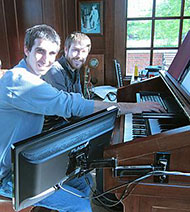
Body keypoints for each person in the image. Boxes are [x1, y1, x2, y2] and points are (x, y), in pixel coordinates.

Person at [0, 25, 164, 212]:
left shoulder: (32, 77)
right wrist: (134, 108)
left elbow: (75, 102)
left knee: (85, 182)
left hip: (28, 161)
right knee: (82, 206)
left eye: (52, 53)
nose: (46, 60)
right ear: (27, 50)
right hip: (9, 175)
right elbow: (72, 105)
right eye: (40, 51)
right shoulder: (19, 81)